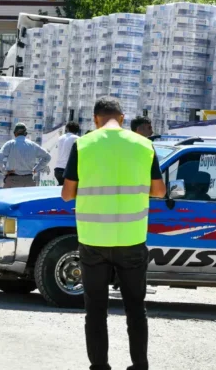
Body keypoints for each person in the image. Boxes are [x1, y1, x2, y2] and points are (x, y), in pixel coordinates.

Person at [61, 97, 166, 370]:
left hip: (93, 240)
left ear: (96, 119)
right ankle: (139, 365)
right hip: (131, 239)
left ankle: (99, 367)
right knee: (135, 308)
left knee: (95, 309)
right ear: (122, 117)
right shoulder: (144, 145)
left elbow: (67, 194)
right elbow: (159, 191)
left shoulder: (83, 145)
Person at [0, 123, 51, 189]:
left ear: (15, 134)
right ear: (26, 134)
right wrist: (36, 169)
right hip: (28, 181)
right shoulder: (33, 145)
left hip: (12, 181)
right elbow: (48, 157)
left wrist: (5, 171)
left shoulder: (10, 144)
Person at [55, 122, 80, 186]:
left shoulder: (60, 138)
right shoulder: (77, 139)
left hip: (58, 169)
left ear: (67, 129)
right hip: (68, 170)